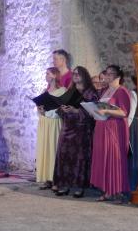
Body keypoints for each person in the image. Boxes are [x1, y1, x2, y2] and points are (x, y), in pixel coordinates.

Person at [52, 66, 94, 198]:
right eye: (74, 73)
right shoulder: (70, 91)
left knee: (79, 159)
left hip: (81, 131)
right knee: (64, 157)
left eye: (78, 73)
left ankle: (79, 187)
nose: (75, 75)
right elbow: (59, 110)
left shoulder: (90, 93)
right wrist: (62, 109)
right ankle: (64, 185)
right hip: (67, 129)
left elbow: (93, 112)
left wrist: (76, 111)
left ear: (84, 76)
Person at [90, 64, 131, 201]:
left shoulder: (122, 91)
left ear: (118, 76)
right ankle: (107, 190)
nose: (107, 76)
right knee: (104, 158)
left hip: (115, 128)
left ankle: (117, 190)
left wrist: (106, 111)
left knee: (114, 158)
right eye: (106, 73)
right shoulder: (104, 91)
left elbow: (124, 112)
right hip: (101, 127)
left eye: (110, 74)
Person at [35, 67, 66, 190]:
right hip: (44, 122)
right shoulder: (44, 91)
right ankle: (47, 178)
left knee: (53, 149)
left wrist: (48, 112)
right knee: (45, 149)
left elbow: (62, 109)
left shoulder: (63, 91)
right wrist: (40, 110)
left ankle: (56, 179)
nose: (45, 75)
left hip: (55, 123)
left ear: (54, 75)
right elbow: (40, 108)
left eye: (47, 73)